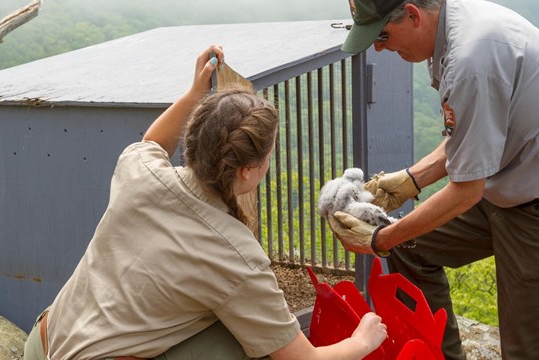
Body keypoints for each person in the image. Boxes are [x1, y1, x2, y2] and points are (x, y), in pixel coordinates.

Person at [24, 44, 387, 360]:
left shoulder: (139, 172)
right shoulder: (237, 257)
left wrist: (195, 91)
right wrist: (361, 341)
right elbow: (299, 357)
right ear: (247, 171)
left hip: (43, 342)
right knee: (256, 348)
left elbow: (153, 140)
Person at [328, 0, 539, 359]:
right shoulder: (449, 31)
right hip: (513, 188)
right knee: (412, 246)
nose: (379, 47)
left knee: (530, 353)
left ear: (414, 15)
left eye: (383, 35)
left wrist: (380, 238)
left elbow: (467, 191)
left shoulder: (472, 57)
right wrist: (408, 181)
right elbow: (470, 133)